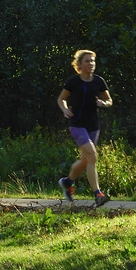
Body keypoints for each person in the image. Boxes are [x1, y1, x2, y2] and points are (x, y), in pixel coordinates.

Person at [57, 49, 113, 207]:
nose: (91, 64)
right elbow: (61, 99)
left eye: (93, 61)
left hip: (93, 126)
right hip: (77, 124)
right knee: (93, 157)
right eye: (87, 61)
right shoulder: (73, 82)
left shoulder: (99, 81)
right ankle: (98, 194)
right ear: (79, 64)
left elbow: (109, 100)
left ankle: (67, 182)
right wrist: (65, 109)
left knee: (86, 159)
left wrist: (104, 103)